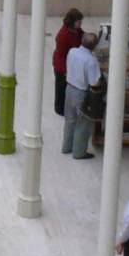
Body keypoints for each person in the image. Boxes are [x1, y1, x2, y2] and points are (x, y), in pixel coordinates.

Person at [63, 30, 104, 158]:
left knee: (70, 120)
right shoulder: (91, 61)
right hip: (81, 93)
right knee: (83, 124)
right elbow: (94, 82)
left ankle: (66, 147)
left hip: (69, 88)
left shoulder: (72, 51)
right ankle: (79, 152)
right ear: (95, 46)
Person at [52, 9, 84, 115]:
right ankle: (59, 109)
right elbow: (61, 55)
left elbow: (83, 37)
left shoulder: (77, 30)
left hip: (70, 63)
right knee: (61, 88)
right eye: (78, 22)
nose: (80, 24)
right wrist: (65, 71)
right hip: (62, 66)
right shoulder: (63, 35)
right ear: (72, 22)